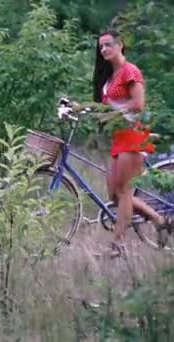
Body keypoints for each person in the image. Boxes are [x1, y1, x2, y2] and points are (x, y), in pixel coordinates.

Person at [91, 29, 174, 255]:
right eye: (101, 47)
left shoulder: (130, 71)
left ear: (121, 44)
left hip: (133, 135)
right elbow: (109, 106)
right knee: (113, 195)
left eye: (108, 45)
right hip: (119, 137)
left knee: (124, 192)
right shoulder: (110, 76)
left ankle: (118, 245)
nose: (104, 49)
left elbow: (138, 105)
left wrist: (113, 115)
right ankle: (158, 219)